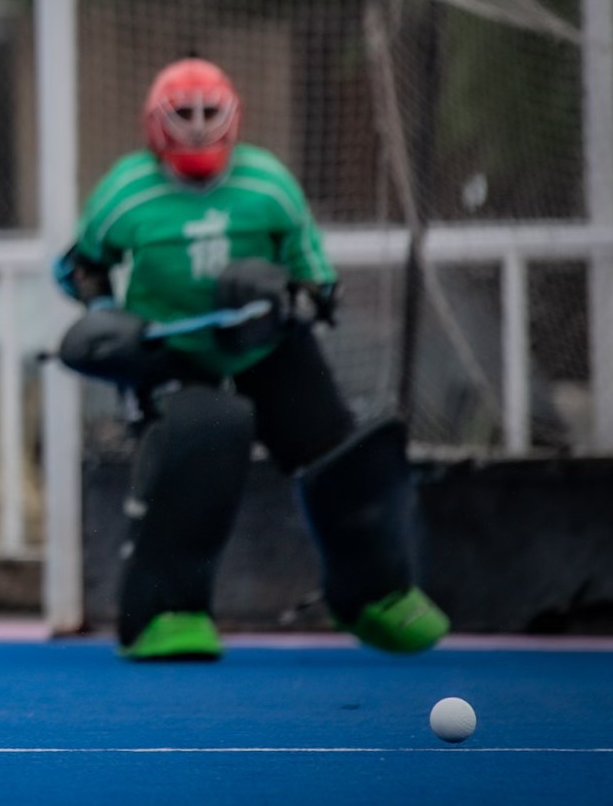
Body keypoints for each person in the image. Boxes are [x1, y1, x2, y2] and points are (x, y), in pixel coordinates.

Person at [53, 57, 449, 661]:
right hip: (176, 351)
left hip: (267, 345)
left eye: (209, 113)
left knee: (338, 454)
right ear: (154, 123)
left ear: (234, 116)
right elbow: (80, 264)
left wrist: (290, 299)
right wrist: (108, 316)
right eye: (182, 115)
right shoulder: (124, 192)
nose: (196, 127)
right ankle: (167, 612)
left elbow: (317, 279)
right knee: (205, 442)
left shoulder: (268, 183)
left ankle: (376, 595)